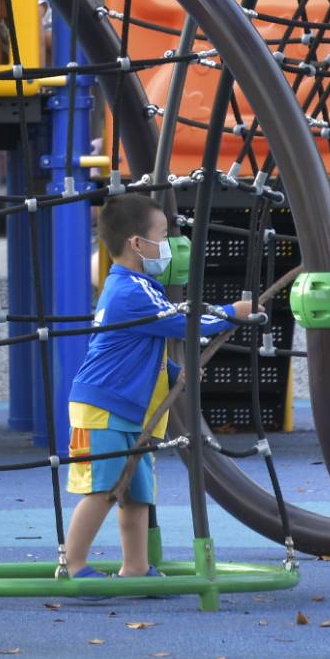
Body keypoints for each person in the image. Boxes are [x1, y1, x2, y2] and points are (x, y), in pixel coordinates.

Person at [62, 195, 252, 580]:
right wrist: (233, 312)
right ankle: (73, 563)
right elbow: (187, 321)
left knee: (136, 494)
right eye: (162, 236)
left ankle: (135, 567)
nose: (167, 247)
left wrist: (174, 370)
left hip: (128, 409)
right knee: (104, 488)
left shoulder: (135, 287)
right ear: (137, 244)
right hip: (104, 408)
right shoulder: (132, 290)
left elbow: (140, 349)